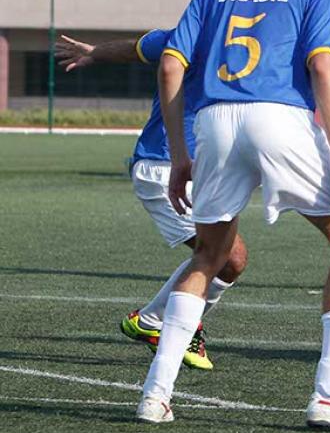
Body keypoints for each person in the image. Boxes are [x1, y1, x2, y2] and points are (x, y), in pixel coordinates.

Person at [138, 0, 330, 427]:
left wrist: (179, 154)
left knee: (210, 253)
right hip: (280, 118)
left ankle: (155, 394)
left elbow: (170, 65)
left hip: (213, 122)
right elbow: (324, 67)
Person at [54, 32, 248, 371]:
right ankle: (162, 323)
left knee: (231, 259)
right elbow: (136, 49)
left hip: (204, 169)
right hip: (164, 166)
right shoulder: (189, 33)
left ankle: (155, 320)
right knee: (225, 256)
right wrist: (97, 52)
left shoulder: (255, 40)